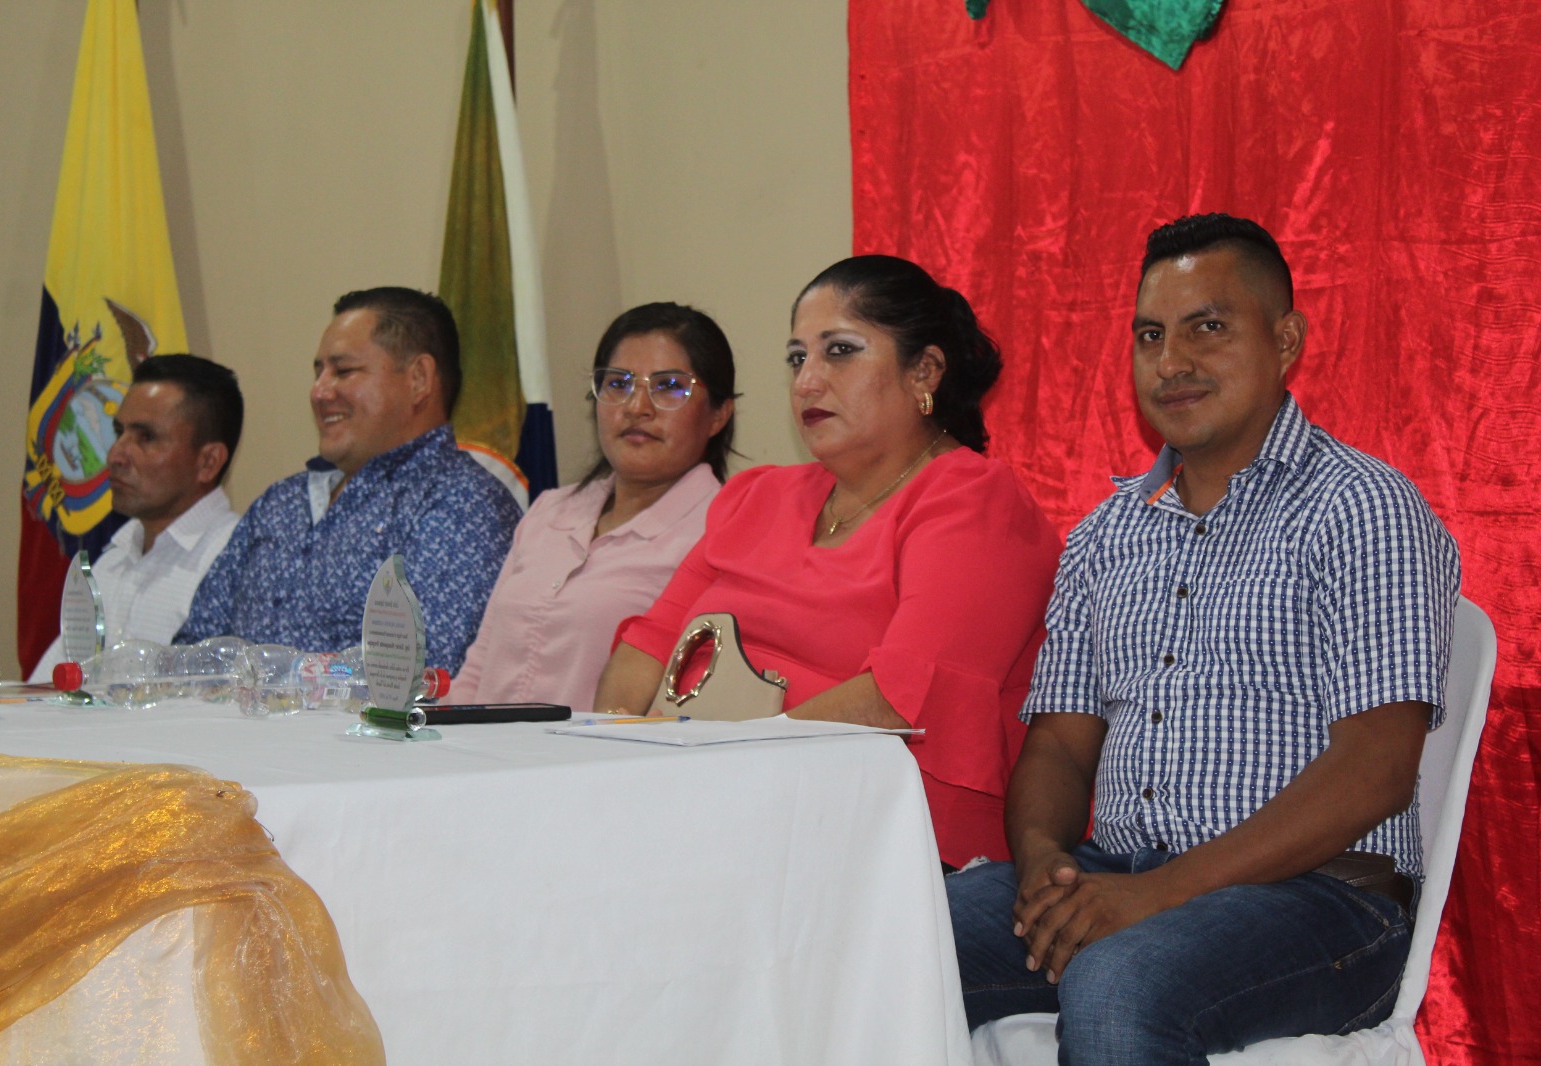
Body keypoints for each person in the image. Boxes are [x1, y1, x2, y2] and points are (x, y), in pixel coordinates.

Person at [946, 214, 1461, 1063]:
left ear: (1285, 340)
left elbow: (1375, 769)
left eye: (1207, 327)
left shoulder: (1361, 507)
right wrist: (1043, 866)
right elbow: (1061, 746)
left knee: (1118, 984)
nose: (1171, 362)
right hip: (1116, 871)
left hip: (1319, 901)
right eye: (1150, 335)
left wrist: (1159, 894)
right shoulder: (1106, 534)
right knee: (888, 932)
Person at [594, 256, 1061, 868]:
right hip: (710, 805)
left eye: (839, 351)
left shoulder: (974, 501)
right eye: (797, 358)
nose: (806, 382)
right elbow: (648, 646)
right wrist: (613, 757)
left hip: (885, 843)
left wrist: (718, 772)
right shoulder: (756, 497)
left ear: (924, 370)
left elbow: (898, 701)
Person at [177, 287, 522, 673]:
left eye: (343, 371)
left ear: (419, 379)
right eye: (318, 372)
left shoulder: (463, 504)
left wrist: (271, 688)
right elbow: (194, 649)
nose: (319, 392)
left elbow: (417, 676)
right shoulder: (281, 502)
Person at [446, 303, 737, 713]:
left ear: (718, 415)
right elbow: (479, 666)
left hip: (601, 752)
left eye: (669, 386)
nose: (637, 406)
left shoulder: (721, 533)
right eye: (618, 383)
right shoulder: (550, 511)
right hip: (483, 749)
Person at [30, 354, 243, 681]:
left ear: (208, 462)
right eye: (119, 432)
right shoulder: (113, 560)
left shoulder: (239, 561)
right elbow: (50, 685)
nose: (115, 455)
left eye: (146, 438)